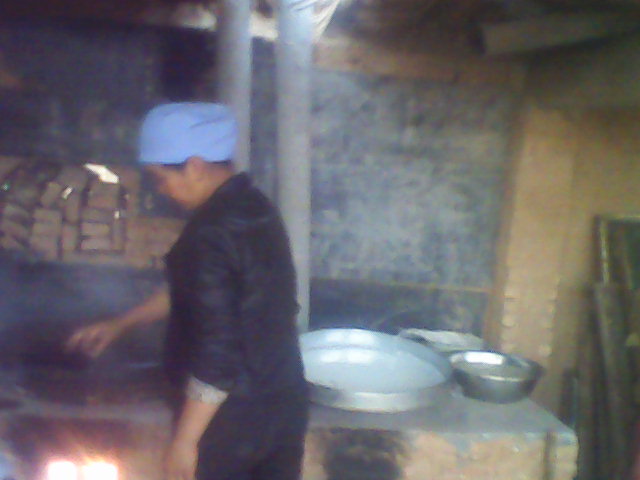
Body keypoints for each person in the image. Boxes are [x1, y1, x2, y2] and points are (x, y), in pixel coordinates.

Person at [67, 102, 309, 480]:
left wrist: (185, 441)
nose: (162, 191)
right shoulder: (257, 208)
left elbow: (218, 356)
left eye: (161, 178)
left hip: (231, 421)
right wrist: (122, 324)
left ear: (194, 166)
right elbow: (198, 291)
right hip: (284, 401)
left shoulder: (209, 234)